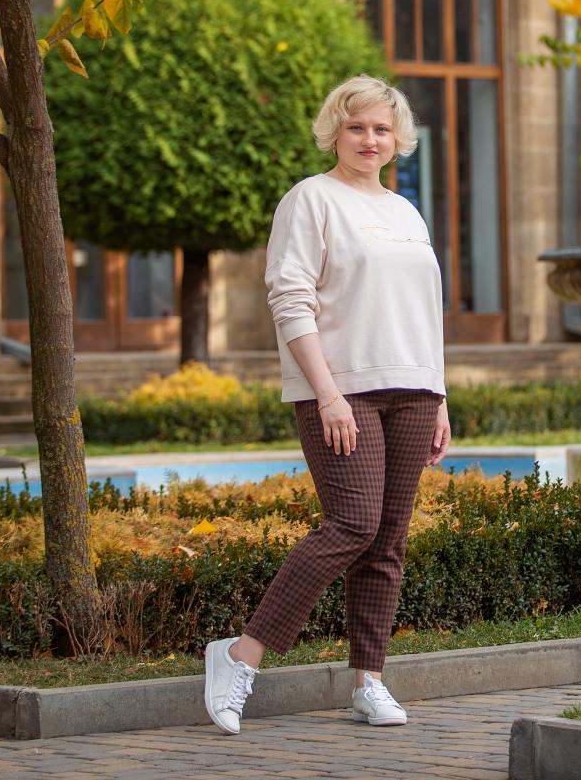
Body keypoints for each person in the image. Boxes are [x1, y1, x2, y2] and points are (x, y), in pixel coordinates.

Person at [202, 75, 451, 735]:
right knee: (351, 526)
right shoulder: (310, 200)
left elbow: (424, 310)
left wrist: (440, 393)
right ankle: (238, 656)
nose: (371, 140)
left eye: (381, 129)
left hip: (415, 389)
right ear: (334, 133)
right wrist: (327, 392)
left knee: (388, 542)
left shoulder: (406, 212)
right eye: (357, 127)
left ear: (398, 139)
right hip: (339, 391)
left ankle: (369, 678)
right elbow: (290, 297)